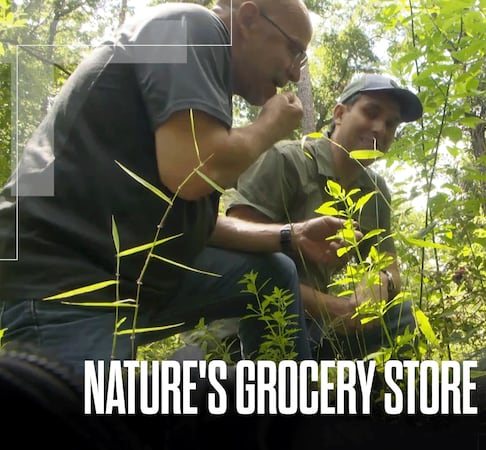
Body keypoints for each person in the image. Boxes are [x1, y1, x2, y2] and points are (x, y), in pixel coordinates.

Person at [0, 0, 357, 376]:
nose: (293, 71)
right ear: (249, 17)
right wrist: (269, 127)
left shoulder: (204, 80)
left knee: (274, 275)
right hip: (66, 277)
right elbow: (191, 171)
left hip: (133, 276)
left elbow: (190, 220)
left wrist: (291, 235)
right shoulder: (190, 27)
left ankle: (288, 414)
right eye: (293, 49)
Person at [225, 74, 422, 360]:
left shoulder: (375, 191)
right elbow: (237, 249)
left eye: (391, 124)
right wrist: (332, 307)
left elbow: (390, 266)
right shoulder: (287, 161)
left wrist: (380, 281)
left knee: (399, 314)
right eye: (371, 112)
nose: (380, 128)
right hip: (250, 318)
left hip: (317, 323)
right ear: (340, 114)